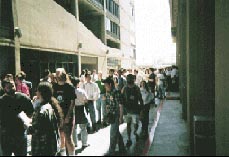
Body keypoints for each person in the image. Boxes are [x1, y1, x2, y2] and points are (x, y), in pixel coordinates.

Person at [24, 82, 64, 156]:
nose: (36, 92)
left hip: (42, 148)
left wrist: (26, 124)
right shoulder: (49, 106)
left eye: (37, 91)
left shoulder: (42, 110)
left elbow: (35, 129)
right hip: (50, 146)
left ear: (40, 93)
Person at [0, 78, 34, 156]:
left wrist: (27, 121)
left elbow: (31, 112)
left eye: (13, 86)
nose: (12, 88)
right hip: (6, 135)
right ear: (4, 88)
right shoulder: (1, 101)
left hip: (20, 134)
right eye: (9, 87)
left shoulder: (23, 98)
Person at [53, 68, 76, 156]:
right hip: (58, 115)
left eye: (58, 74)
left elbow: (72, 103)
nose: (57, 75)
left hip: (67, 115)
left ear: (63, 74)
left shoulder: (69, 86)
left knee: (68, 138)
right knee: (61, 137)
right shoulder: (54, 86)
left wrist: (68, 116)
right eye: (56, 74)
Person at [103, 77, 126, 155]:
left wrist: (121, 117)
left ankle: (111, 151)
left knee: (113, 134)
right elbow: (108, 104)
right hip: (111, 115)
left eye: (105, 85)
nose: (105, 87)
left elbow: (121, 106)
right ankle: (122, 148)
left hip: (116, 115)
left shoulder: (116, 92)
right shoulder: (108, 92)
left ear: (110, 84)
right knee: (116, 132)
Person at [122, 74, 144, 147]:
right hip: (127, 110)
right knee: (128, 125)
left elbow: (140, 99)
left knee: (135, 124)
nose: (129, 80)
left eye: (130, 79)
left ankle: (135, 133)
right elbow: (122, 99)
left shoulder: (136, 88)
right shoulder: (124, 88)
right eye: (128, 78)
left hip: (135, 110)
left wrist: (141, 110)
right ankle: (129, 139)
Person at [71, 77, 90, 150]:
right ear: (78, 83)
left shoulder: (70, 91)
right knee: (83, 128)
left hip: (73, 109)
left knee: (74, 128)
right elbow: (86, 100)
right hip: (81, 109)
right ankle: (84, 143)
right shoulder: (81, 91)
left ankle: (75, 143)